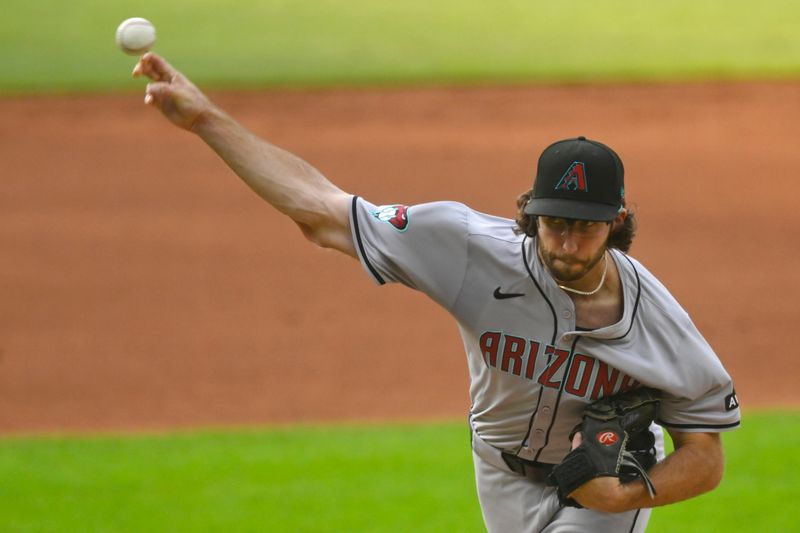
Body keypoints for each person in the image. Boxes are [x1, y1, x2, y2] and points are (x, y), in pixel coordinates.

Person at [133, 52, 741, 532]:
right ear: (531, 213)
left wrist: (626, 495)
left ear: (617, 220)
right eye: (556, 222)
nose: (568, 241)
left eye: (586, 226)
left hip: (607, 481)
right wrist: (205, 120)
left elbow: (705, 455)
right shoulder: (468, 247)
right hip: (498, 472)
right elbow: (320, 212)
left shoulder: (656, 319)